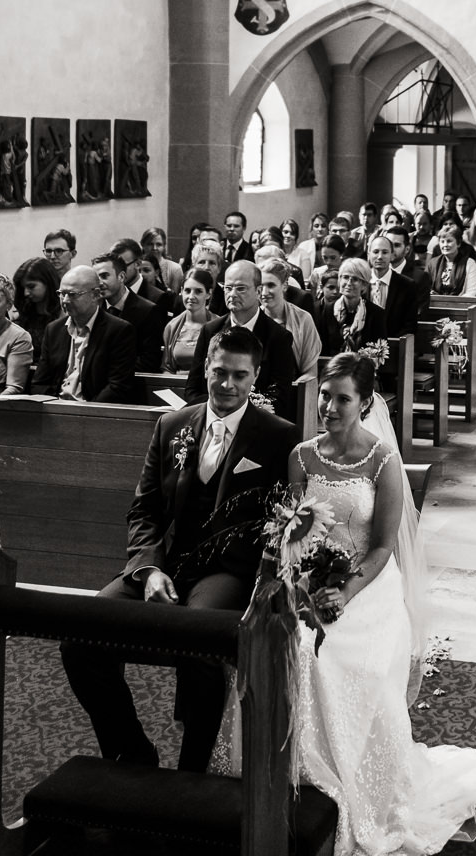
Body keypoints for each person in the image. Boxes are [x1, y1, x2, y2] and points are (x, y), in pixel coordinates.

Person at [273, 353, 476, 852]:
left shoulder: (382, 461)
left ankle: (357, 782)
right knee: (290, 646)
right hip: (310, 583)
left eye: (343, 398)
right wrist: (301, 587)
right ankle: (291, 777)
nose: (330, 406)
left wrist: (342, 591)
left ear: (365, 403)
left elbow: (384, 546)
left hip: (367, 585)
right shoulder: (301, 456)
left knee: (341, 661)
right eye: (325, 395)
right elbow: (291, 535)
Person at [60, 327, 297, 771]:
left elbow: (281, 523)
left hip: (227, 571)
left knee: (199, 641)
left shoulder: (278, 436)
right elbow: (144, 510)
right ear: (205, 367)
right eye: (220, 372)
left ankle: (192, 774)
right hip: (165, 562)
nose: (228, 385)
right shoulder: (172, 424)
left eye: (240, 376)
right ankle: (131, 750)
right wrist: (149, 570)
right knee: (80, 639)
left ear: (256, 377)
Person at [184, 261, 297, 418]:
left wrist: (240, 412)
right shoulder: (210, 330)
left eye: (240, 288)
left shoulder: (278, 337)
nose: (232, 294)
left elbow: (279, 395)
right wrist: (216, 409)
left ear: (258, 291)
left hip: (256, 424)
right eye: (228, 288)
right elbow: (192, 389)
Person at [32, 264, 136, 401]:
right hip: (56, 408)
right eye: (62, 294)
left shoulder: (119, 331)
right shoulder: (54, 330)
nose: (65, 300)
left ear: (96, 295)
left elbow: (118, 386)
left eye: (73, 294)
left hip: (94, 412)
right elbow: (40, 383)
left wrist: (86, 412)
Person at [93, 251, 161, 371]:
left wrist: (107, 368)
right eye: (96, 277)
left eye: (104, 276)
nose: (99, 283)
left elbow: (149, 361)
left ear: (122, 277)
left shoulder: (148, 311)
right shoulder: (94, 308)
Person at [258, 255, 322, 382]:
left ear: (284, 285)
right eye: (260, 286)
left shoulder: (303, 319)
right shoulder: (252, 318)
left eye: (271, 285)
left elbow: (310, 373)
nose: (264, 292)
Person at [319, 258, 388, 354]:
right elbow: (321, 348)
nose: (349, 283)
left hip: (364, 366)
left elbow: (379, 351)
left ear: (364, 285)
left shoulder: (376, 313)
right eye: (345, 277)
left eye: (355, 279)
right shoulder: (327, 309)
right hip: (332, 366)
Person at [162, 267, 218, 371]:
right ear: (181, 291)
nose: (191, 296)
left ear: (208, 293)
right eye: (187, 291)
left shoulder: (219, 325)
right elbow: (167, 367)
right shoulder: (172, 326)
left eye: (198, 291)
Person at [367, 232, 418, 335]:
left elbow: (410, 326)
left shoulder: (407, 285)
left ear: (392, 255)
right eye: (376, 252)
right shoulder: (361, 281)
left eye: (385, 252)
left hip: (394, 345)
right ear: (369, 254)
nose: (380, 257)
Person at [10, 256, 60, 357]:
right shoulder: (22, 317)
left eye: (31, 286)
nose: (26, 293)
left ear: (48, 282)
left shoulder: (65, 315)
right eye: (23, 288)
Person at [426, 224, 476, 297]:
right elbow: (425, 288)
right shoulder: (432, 263)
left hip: (460, 305)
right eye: (442, 241)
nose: (445, 245)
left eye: (449, 241)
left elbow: (471, 293)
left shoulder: (469, 263)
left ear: (458, 243)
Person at [141, 225, 184, 295]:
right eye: (150, 244)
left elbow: (175, 298)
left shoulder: (175, 269)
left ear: (164, 246)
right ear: (143, 245)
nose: (154, 248)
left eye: (158, 245)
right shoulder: (135, 266)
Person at [293, 212, 329, 282]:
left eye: (323, 226)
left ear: (328, 228)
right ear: (312, 228)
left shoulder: (332, 246)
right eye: (316, 226)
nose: (320, 229)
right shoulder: (304, 246)